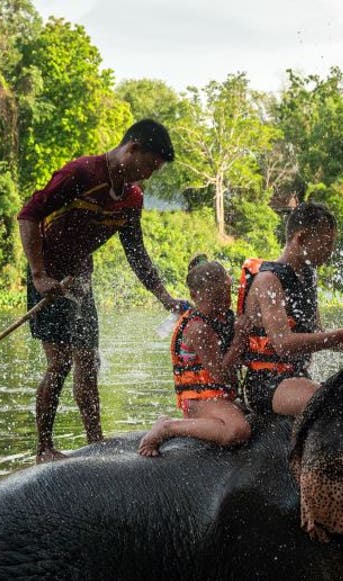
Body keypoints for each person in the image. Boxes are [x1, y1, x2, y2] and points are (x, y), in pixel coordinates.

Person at [16, 119, 185, 462]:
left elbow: (136, 252)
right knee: (60, 363)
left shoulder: (132, 198)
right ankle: (43, 448)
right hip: (49, 279)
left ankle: (95, 441)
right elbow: (28, 215)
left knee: (88, 363)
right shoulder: (81, 173)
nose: (150, 174)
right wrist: (38, 274)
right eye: (149, 165)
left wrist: (164, 297)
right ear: (131, 149)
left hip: (80, 280)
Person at [237, 202, 343, 417]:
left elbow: (318, 334)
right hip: (267, 383)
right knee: (333, 404)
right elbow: (283, 345)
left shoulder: (307, 277)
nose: (330, 251)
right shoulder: (269, 280)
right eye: (326, 243)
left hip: (297, 377)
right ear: (301, 239)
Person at [138, 256, 252, 457]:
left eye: (225, 298)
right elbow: (220, 375)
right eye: (215, 300)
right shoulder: (198, 328)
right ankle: (168, 427)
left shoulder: (222, 316)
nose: (222, 306)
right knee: (238, 431)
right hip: (199, 399)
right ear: (194, 295)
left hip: (218, 396)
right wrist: (238, 341)